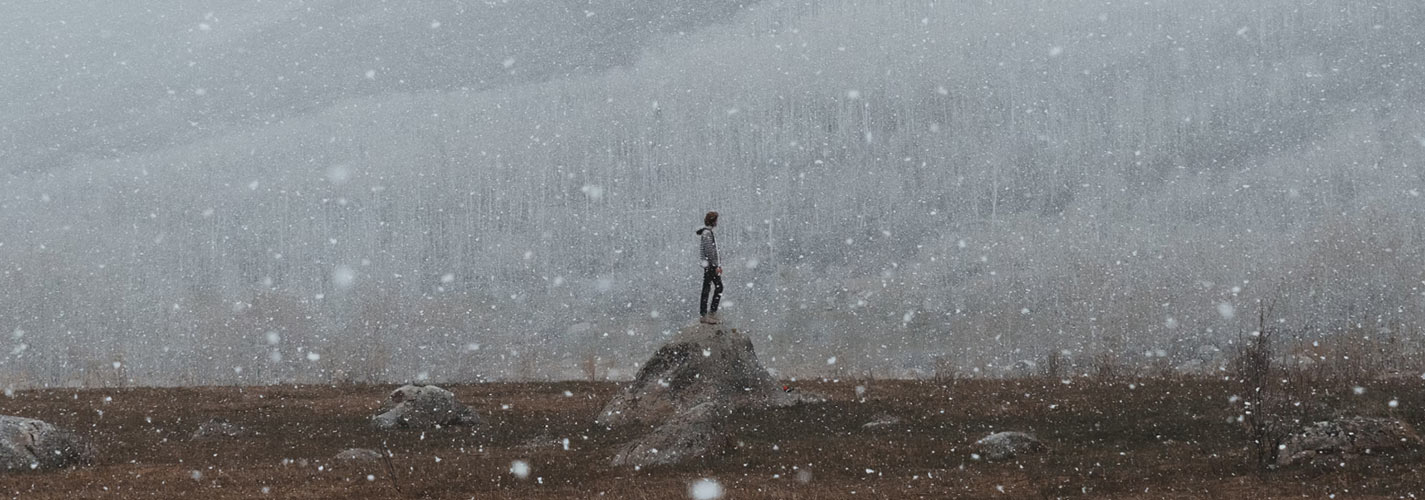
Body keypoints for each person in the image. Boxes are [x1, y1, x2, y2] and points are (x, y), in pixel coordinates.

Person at [696, 211, 723, 324]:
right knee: (718, 287)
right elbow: (710, 252)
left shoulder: (707, 232)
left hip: (709, 265)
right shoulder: (707, 234)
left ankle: (707, 313)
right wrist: (716, 266)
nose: (717, 222)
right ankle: (709, 313)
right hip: (710, 266)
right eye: (716, 220)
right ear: (712, 221)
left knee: (708, 288)